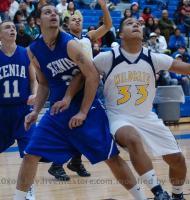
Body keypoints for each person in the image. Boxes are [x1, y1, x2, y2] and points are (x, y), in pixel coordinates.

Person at [13, 5, 150, 200]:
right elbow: (43, 83)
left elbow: (92, 75)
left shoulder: (70, 44)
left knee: (111, 158)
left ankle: (141, 198)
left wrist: (83, 112)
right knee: (30, 155)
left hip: (87, 107)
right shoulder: (33, 50)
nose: (53, 14)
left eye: (55, 12)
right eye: (47, 12)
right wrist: (35, 111)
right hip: (57, 113)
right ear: (37, 21)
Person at [91, 17, 190, 200]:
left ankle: (177, 196)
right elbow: (81, 75)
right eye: (130, 23)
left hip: (147, 117)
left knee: (177, 159)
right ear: (121, 34)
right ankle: (158, 192)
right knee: (132, 138)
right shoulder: (106, 58)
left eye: (138, 24)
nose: (136, 25)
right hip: (119, 116)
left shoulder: (153, 58)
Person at [48, 0, 114, 181]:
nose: (77, 21)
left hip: (88, 86)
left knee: (82, 125)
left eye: (79, 19)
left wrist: (103, 6)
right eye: (73, 19)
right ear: (67, 24)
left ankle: (75, 161)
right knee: (67, 127)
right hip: (68, 87)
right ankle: (56, 164)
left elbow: (108, 25)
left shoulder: (88, 37)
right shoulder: (63, 39)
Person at [0, 20, 37, 200]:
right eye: (7, 27)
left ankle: (27, 188)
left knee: (31, 152)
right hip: (2, 112)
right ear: (0, 35)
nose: (12, 29)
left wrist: (35, 95)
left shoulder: (25, 53)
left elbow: (33, 79)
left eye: (13, 27)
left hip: (23, 111)